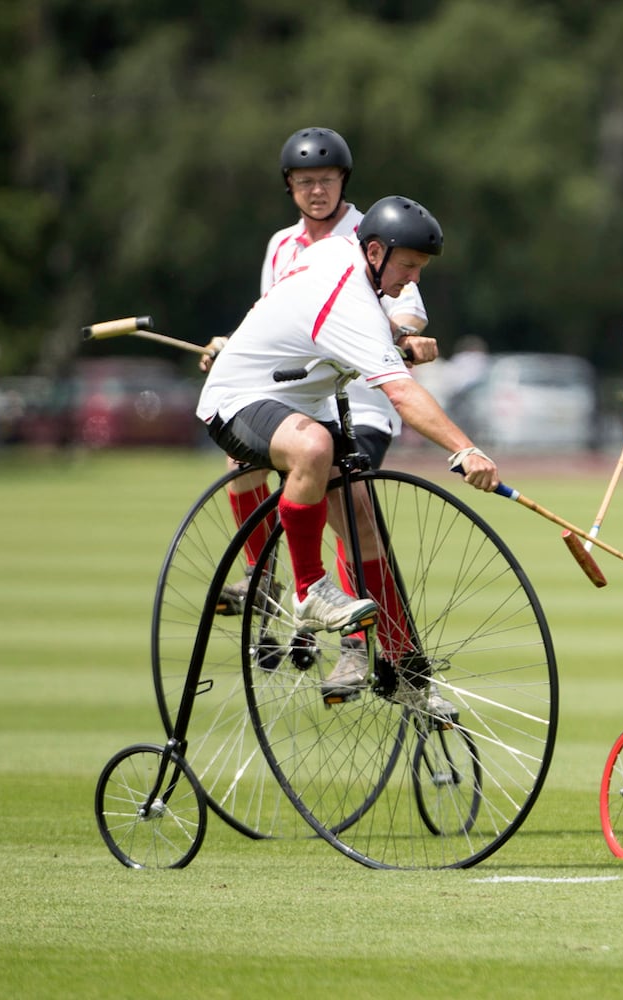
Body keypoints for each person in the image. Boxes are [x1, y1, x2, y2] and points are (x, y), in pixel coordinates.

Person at [196, 195, 496, 714]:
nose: (413, 280)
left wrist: (398, 333)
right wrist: (464, 449)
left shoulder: (342, 254)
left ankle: (405, 667)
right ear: (375, 252)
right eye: (408, 267)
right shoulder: (347, 294)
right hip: (240, 402)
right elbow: (401, 393)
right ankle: (307, 589)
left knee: (361, 520)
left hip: (297, 400)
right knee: (314, 447)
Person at [205, 126, 437, 684]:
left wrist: (401, 337)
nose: (316, 192)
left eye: (326, 181)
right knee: (243, 459)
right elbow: (272, 309)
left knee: (350, 509)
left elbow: (408, 309)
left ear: (343, 183)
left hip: (361, 399)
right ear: (289, 187)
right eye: (305, 182)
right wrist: (231, 347)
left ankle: (360, 644)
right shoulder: (281, 246)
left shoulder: (375, 234)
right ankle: (264, 579)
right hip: (298, 395)